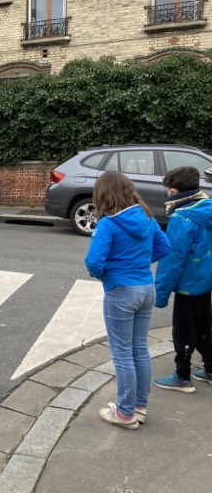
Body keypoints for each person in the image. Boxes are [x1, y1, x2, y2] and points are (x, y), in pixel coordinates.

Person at [84, 171, 170, 429]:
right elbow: (164, 247)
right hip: (146, 287)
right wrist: (140, 263)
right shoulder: (147, 217)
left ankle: (124, 413)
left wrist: (107, 274)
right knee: (139, 349)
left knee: (122, 353)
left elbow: (94, 262)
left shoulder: (108, 224)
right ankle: (139, 406)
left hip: (121, 290)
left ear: (102, 195)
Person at [152, 166, 212, 393]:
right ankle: (210, 368)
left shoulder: (182, 217)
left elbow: (172, 260)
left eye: (170, 189)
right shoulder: (207, 207)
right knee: (204, 326)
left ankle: (182, 376)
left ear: (175, 191)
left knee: (184, 330)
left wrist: (160, 295)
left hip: (188, 284)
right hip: (206, 280)